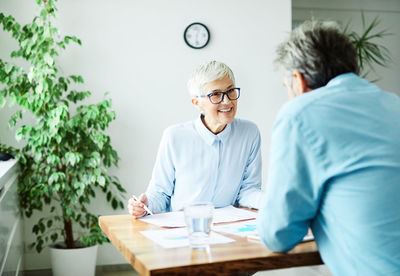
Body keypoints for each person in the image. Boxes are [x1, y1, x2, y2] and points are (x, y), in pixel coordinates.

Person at [257, 20, 400, 276]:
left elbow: (277, 235)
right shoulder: (394, 104)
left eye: (286, 86)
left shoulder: (299, 114)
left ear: (298, 81)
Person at [128, 61, 262, 218]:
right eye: (216, 94)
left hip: (230, 228)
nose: (227, 101)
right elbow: (160, 193)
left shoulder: (249, 133)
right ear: (197, 103)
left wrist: (272, 201)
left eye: (230, 91)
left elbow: (248, 190)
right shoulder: (174, 137)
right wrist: (145, 204)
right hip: (184, 228)